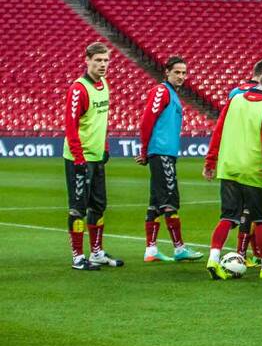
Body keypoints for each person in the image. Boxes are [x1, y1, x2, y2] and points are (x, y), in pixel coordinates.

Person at [203, 70, 262, 280]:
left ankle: (213, 258)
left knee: (227, 216)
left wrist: (210, 160)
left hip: (228, 166)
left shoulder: (235, 99)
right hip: (252, 170)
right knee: (261, 218)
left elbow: (219, 130)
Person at [63, 41, 123, 271]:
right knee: (78, 207)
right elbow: (70, 126)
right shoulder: (78, 89)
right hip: (80, 158)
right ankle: (78, 257)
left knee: (98, 205)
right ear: (86, 60)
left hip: (97, 157)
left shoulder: (104, 85)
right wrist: (78, 157)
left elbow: (102, 121)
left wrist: (105, 146)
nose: (102, 65)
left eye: (106, 60)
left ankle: (96, 252)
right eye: (98, 60)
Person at [137, 55, 202, 263]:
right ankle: (179, 247)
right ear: (167, 72)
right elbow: (147, 119)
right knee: (170, 200)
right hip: (161, 152)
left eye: (184, 72)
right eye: (177, 72)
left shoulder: (172, 94)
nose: (181, 76)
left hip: (166, 152)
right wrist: (145, 149)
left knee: (156, 201)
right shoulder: (161, 91)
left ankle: (151, 250)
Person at [228, 58, 262, 263]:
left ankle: (249, 253)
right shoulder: (256, 98)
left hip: (234, 158)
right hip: (252, 159)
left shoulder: (235, 93)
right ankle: (252, 254)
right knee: (255, 210)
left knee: (244, 209)